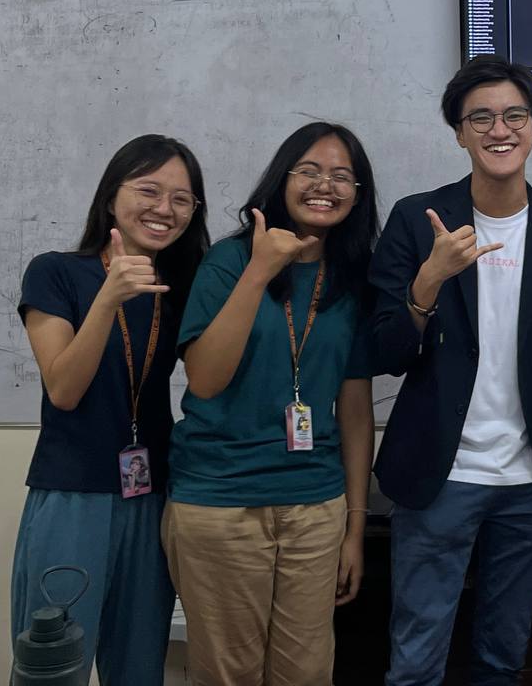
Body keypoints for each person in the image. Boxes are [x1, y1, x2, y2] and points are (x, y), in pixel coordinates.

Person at [369, 57, 532, 685]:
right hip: (439, 476)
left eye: (514, 116)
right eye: (481, 118)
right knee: (415, 660)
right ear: (459, 133)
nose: (499, 130)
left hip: (530, 484)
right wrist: (428, 281)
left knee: (503, 658)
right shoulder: (418, 219)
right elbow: (384, 354)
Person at [161, 122, 377, 685]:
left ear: (358, 194)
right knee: (227, 673)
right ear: (281, 180)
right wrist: (260, 271)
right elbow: (204, 380)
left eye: (341, 176)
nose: (324, 185)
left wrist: (355, 527)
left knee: (307, 672)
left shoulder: (351, 280)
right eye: (309, 171)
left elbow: (356, 412)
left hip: (315, 506)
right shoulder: (229, 262)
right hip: (221, 501)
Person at [11, 134, 210, 684]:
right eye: (149, 190)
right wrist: (108, 296)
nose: (164, 208)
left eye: (182, 199)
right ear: (111, 196)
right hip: (72, 491)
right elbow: (63, 390)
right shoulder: (55, 271)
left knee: (139, 666)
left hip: (153, 495)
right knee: (54, 666)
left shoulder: (184, 284)